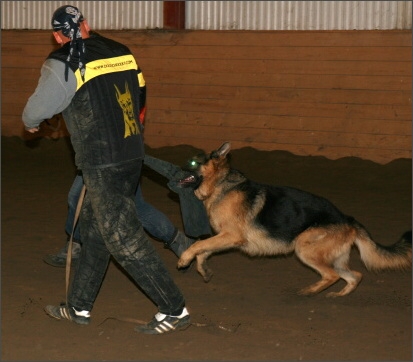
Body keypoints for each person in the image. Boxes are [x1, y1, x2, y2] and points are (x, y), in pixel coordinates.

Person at [22, 5, 191, 334]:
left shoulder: (63, 61)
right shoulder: (121, 51)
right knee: (96, 232)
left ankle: (175, 309)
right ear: (86, 24)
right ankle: (78, 307)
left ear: (57, 36)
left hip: (102, 159)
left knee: (122, 238)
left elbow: (37, 110)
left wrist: (32, 124)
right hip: (131, 152)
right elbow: (140, 94)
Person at [43, 172, 198, 267]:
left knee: (135, 206)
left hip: (112, 154)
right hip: (112, 151)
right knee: (77, 198)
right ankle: (76, 245)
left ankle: (178, 241)